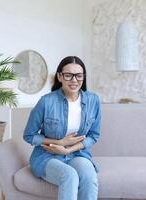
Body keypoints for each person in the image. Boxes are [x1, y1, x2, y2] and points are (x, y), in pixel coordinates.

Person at [23, 56, 101, 200]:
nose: (74, 80)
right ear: (59, 76)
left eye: (79, 75)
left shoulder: (93, 100)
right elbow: (29, 135)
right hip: (46, 156)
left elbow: (94, 135)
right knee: (69, 175)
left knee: (89, 177)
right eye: (68, 75)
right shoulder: (46, 101)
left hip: (77, 154)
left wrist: (68, 149)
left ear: (83, 77)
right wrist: (60, 143)